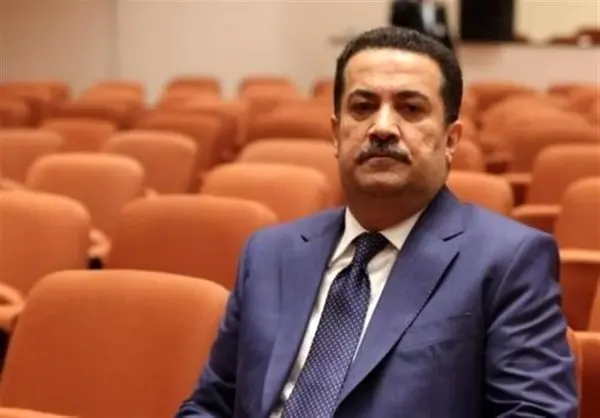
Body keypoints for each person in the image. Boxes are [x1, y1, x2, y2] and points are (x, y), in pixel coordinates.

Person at [175, 27, 578, 417]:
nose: (382, 128)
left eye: (411, 108)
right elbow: (210, 406)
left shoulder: (508, 260)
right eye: (362, 107)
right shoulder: (268, 253)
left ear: (450, 139)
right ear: (336, 134)